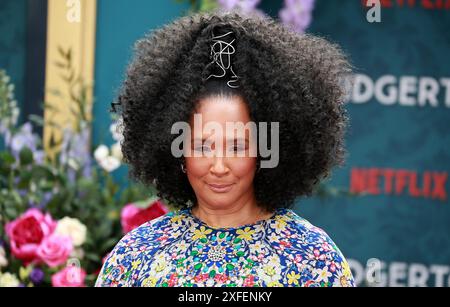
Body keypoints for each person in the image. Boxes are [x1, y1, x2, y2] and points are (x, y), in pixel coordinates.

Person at [95, 9, 355, 287]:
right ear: (176, 150)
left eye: (237, 147)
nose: (219, 167)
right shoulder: (136, 256)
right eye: (202, 146)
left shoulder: (313, 260)